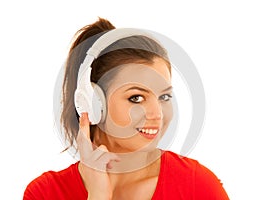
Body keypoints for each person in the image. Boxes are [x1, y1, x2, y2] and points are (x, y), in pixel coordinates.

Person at [23, 17, 229, 200]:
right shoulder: (44, 194)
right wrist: (98, 196)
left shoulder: (198, 186)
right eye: (136, 98)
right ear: (94, 104)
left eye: (164, 97)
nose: (157, 114)